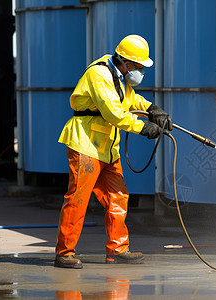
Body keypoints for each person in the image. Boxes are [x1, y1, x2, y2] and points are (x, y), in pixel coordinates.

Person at [54, 35, 172, 269]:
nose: (140, 71)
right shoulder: (99, 74)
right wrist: (143, 127)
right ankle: (64, 253)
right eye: (138, 66)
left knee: (118, 196)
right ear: (126, 63)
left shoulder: (119, 76)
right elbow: (114, 113)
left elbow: (130, 100)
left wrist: (151, 109)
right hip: (86, 144)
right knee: (78, 199)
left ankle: (117, 250)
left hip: (108, 147)